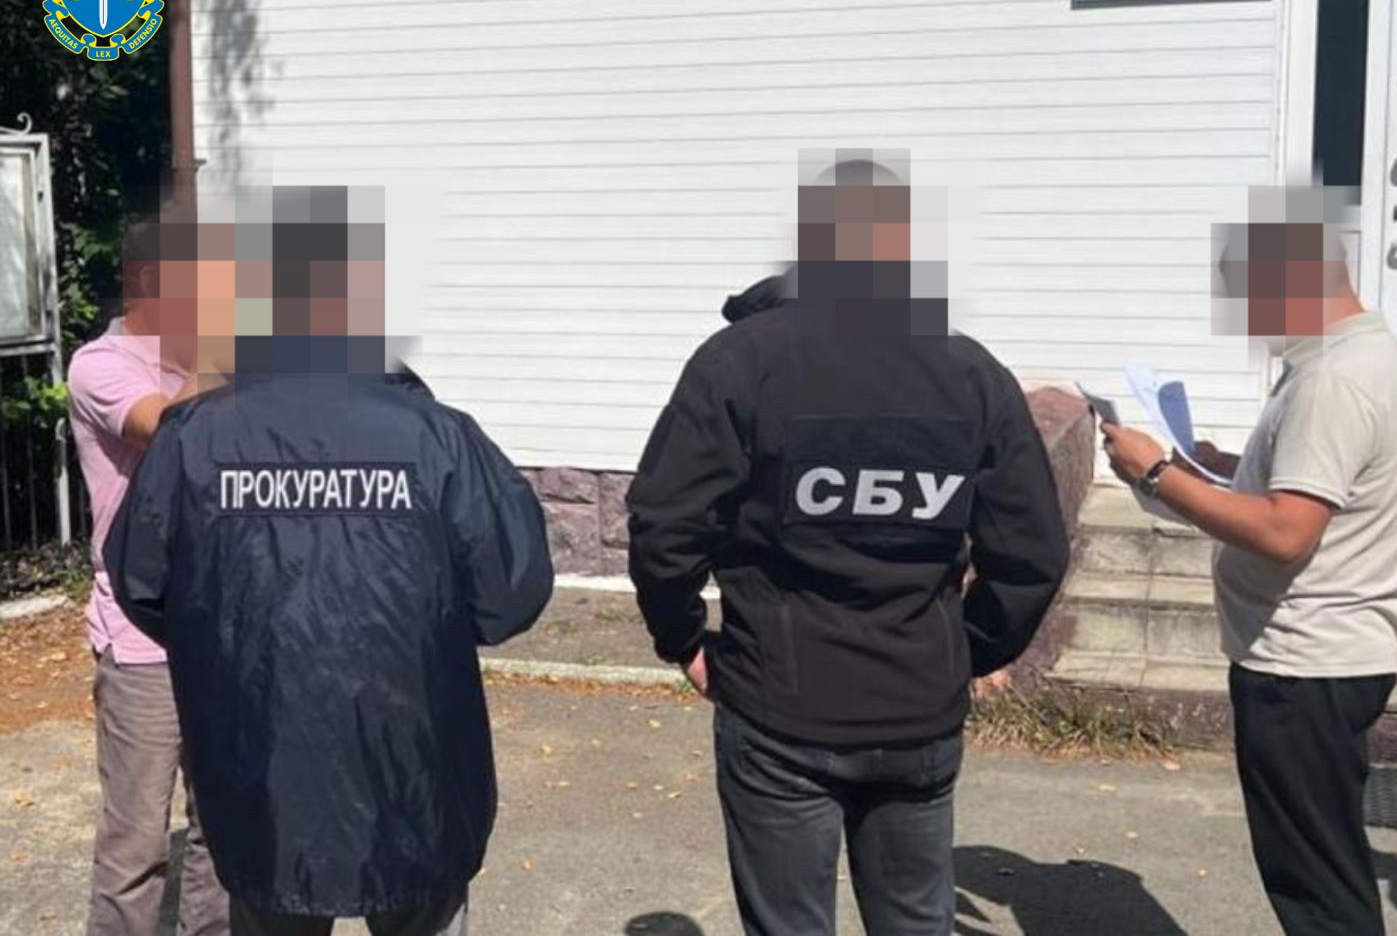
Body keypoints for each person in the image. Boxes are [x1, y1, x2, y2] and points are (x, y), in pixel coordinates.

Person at [627, 150, 1071, 936]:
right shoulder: (970, 373)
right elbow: (1031, 553)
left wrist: (685, 641)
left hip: (780, 707)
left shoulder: (741, 363)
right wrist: (963, 653)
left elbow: (665, 526)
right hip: (913, 710)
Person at [106, 194, 555, 935]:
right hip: (415, 769)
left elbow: (143, 582)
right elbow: (511, 590)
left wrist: (225, 633)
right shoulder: (436, 436)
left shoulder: (195, 440)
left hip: (260, 771)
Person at [1101, 218, 1397, 935]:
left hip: (1305, 663)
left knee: (1317, 889)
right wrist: (1224, 470)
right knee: (1323, 867)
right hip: (1332, 654)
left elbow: (1286, 533)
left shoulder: (1335, 381)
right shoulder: (1372, 360)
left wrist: (1156, 474)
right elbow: (1317, 489)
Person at [67, 219, 229, 934]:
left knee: (222, 824)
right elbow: (167, 429)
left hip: (220, 625)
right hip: (141, 640)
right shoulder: (99, 365)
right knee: (135, 844)